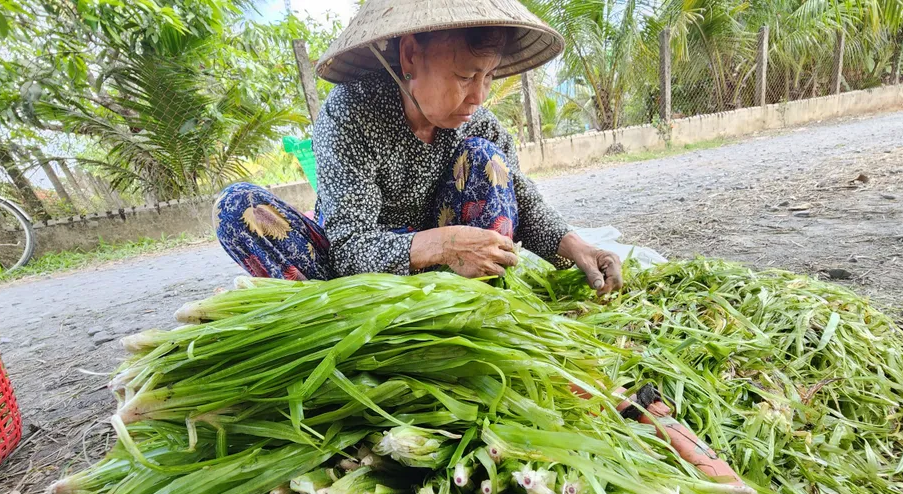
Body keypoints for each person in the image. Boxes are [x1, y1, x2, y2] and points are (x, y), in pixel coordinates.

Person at [214, 0, 623, 295]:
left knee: (487, 160)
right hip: (358, 280)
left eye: (489, 77)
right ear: (410, 56)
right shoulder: (350, 114)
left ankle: (478, 306)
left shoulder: (479, 126)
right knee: (237, 207)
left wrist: (578, 247)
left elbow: (521, 197)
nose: (478, 95)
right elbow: (349, 246)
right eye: (465, 75)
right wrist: (438, 245)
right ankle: (343, 331)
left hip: (455, 278)